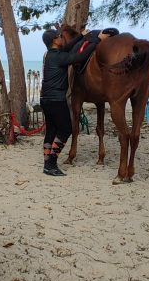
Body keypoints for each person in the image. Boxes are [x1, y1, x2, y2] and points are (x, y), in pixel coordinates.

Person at [38, 27, 109, 176]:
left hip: (45, 99)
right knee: (66, 130)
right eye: (59, 36)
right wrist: (96, 40)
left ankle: (46, 162)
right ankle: (51, 163)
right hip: (56, 100)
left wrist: (81, 37)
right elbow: (78, 57)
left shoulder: (49, 55)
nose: (61, 38)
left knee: (51, 130)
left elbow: (68, 47)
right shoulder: (59, 57)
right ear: (55, 41)